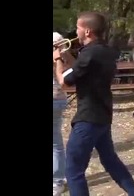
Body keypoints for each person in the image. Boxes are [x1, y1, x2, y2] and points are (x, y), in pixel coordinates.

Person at [53, 11, 134, 196]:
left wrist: (56, 60)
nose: (75, 32)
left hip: (88, 117)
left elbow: (64, 81)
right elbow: (80, 67)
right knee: (110, 160)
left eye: (78, 28)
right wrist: (65, 55)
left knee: (73, 167)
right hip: (103, 114)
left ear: (87, 31)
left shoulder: (89, 53)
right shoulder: (105, 50)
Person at [53, 32, 67, 196]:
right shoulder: (63, 57)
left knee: (55, 143)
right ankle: (58, 179)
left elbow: (64, 78)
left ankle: (57, 180)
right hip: (58, 99)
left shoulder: (60, 58)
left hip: (55, 99)